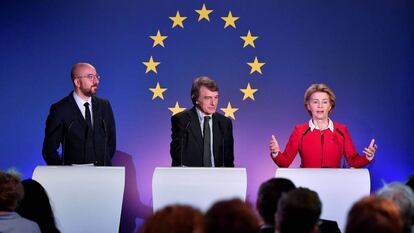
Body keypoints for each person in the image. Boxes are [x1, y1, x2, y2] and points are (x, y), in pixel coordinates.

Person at [269, 83, 377, 168]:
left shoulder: (341, 130)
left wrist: (368, 157)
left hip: (334, 186)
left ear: (330, 106)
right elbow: (285, 162)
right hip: (308, 187)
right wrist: (275, 153)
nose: (320, 106)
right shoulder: (299, 130)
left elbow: (353, 161)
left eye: (325, 102)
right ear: (308, 106)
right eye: (315, 102)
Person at [42, 62, 116, 166]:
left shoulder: (104, 105)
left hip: (102, 175)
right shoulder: (60, 109)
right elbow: (49, 151)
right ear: (77, 82)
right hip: (73, 178)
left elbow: (111, 144)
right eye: (90, 77)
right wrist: (63, 173)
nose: (96, 81)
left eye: (97, 76)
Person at [170, 76, 234, 167]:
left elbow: (229, 162)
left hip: (218, 179)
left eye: (216, 97)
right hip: (190, 178)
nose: (213, 103)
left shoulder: (225, 123)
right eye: (208, 98)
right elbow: (177, 159)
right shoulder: (182, 120)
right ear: (196, 99)